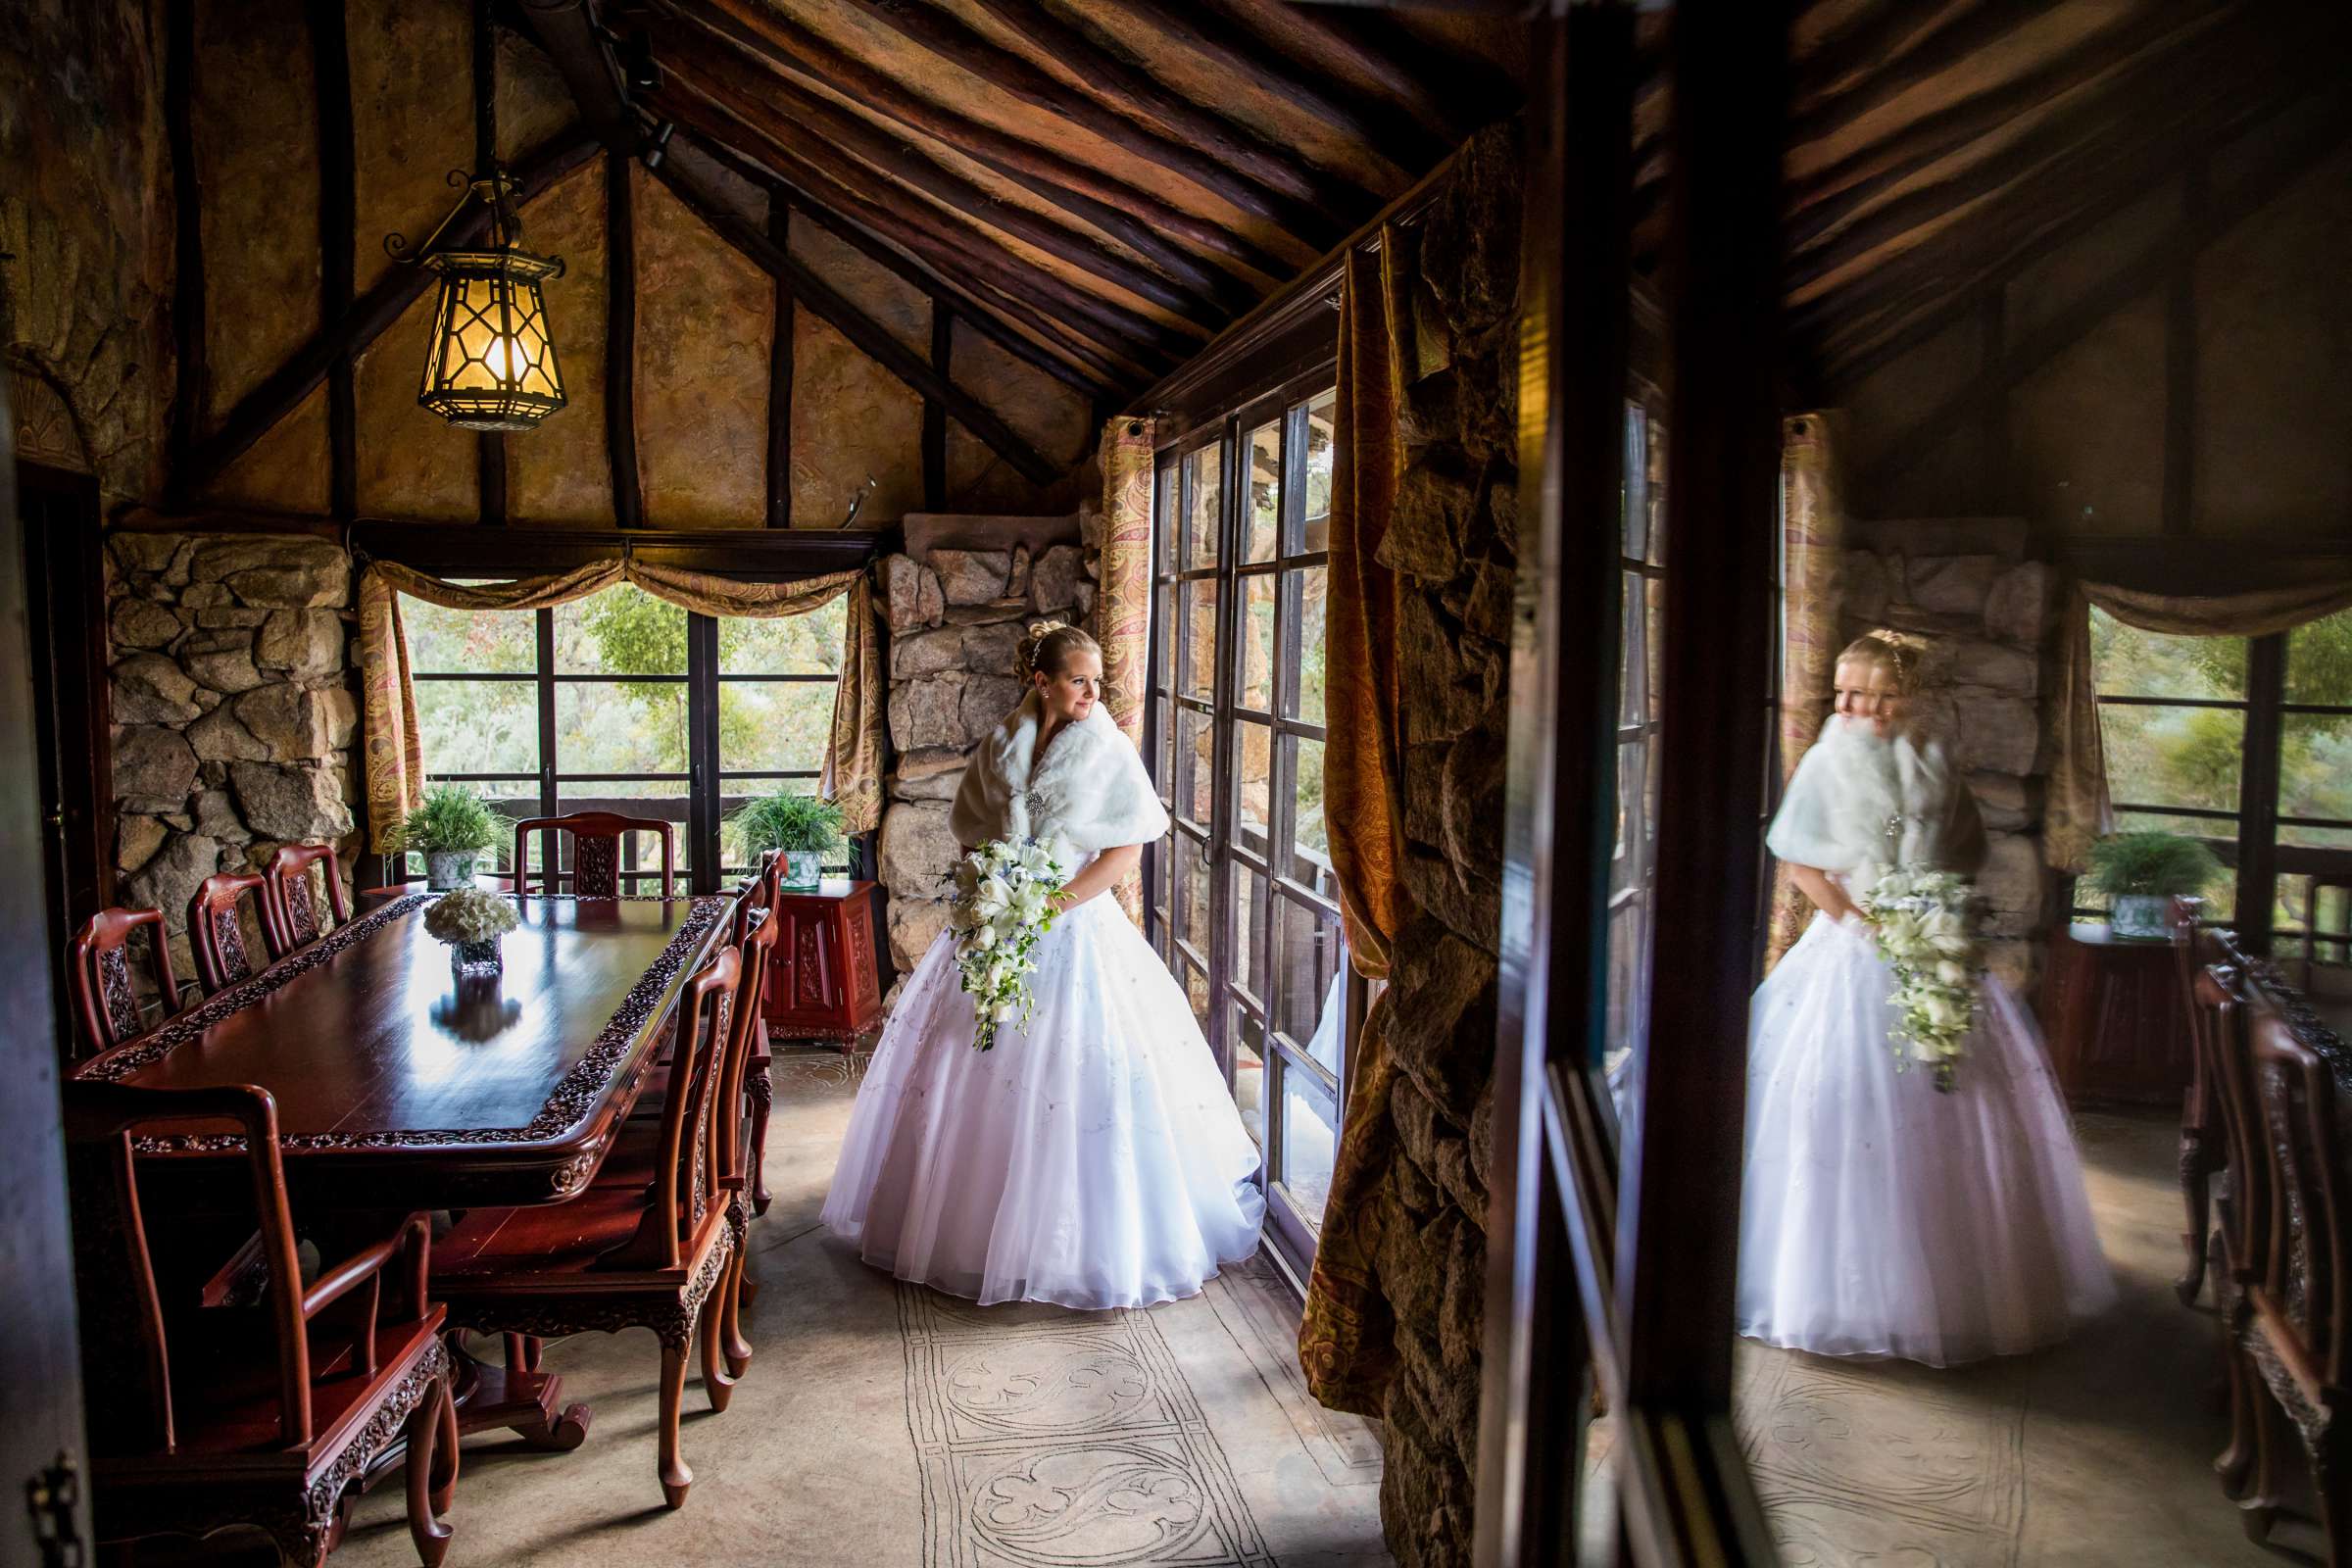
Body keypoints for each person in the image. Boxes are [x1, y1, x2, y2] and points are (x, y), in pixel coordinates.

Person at [821, 620, 1264, 1308]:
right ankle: (967, 1232)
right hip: (997, 921)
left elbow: (1126, 850)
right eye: (1078, 680)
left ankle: (1074, 1243)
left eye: (1096, 681)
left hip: (1075, 925)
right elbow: (972, 828)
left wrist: (1052, 903)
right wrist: (989, 886)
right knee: (967, 1063)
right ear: (1042, 683)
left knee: (1079, 1075)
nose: (1092, 693)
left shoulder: (1106, 749)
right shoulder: (1003, 742)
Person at [1738, 631, 2115, 1365]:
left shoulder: (1935, 758)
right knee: (1842, 1110)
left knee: (1953, 1106)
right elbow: (1800, 861)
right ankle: (1835, 1291)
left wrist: (1933, 911)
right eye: (1846, 694)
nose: (1854, 709)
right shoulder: (1827, 759)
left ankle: (1947, 1289)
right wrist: (1864, 921)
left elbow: (1963, 848)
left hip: (1930, 941)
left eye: (1875, 697)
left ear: (1906, 699)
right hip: (1851, 948)